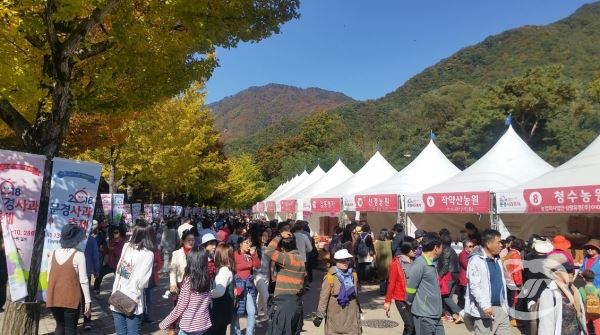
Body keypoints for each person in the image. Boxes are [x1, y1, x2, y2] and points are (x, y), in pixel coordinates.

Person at [110, 221, 155, 335]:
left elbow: (119, 270)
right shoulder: (148, 254)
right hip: (133, 301)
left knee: (120, 333)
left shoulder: (126, 246)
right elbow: (142, 283)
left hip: (117, 295)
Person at [46, 224, 91, 335]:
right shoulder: (79, 255)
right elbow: (84, 281)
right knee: (71, 329)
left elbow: (48, 278)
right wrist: (88, 301)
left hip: (54, 298)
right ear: (75, 240)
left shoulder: (52, 254)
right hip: (71, 299)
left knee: (60, 326)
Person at [464, 229, 509, 335]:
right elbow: (475, 286)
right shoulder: (476, 260)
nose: (501, 245)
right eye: (498, 242)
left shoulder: (498, 259)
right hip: (485, 310)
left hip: (502, 308)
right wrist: (485, 306)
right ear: (488, 243)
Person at [159, 247, 212, 335]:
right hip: (203, 324)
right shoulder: (207, 279)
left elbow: (180, 306)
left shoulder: (188, 281)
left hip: (189, 326)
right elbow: (208, 300)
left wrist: (165, 323)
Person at [264, 230, 305, 335]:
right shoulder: (300, 259)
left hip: (285, 304)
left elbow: (268, 251)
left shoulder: (288, 258)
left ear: (282, 248)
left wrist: (278, 236)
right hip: (296, 303)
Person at [406, 232, 444, 335]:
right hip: (424, 315)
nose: (442, 249)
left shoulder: (432, 263)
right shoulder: (420, 264)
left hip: (435, 314)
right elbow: (410, 288)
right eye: (441, 247)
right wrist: (409, 303)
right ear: (436, 248)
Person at [538, 253, 586, 335]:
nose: (572, 273)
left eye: (572, 270)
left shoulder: (574, 290)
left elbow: (581, 316)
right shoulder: (549, 293)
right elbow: (546, 324)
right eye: (568, 271)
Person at [317, 249, 361, 335]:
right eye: (342, 260)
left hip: (351, 316)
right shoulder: (330, 277)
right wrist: (320, 315)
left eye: (347, 260)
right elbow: (323, 298)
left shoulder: (353, 275)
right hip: (336, 317)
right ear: (336, 262)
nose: (345, 262)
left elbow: (356, 295)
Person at [384, 236, 417, 335]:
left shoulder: (415, 261)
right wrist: (387, 301)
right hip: (401, 299)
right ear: (407, 249)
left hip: (413, 298)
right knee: (410, 325)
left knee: (412, 326)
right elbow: (391, 283)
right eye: (413, 248)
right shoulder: (396, 263)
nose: (416, 250)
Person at [232, 236, 261, 335]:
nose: (249, 245)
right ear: (240, 244)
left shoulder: (250, 255)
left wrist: (254, 255)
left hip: (249, 286)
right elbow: (232, 269)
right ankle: (237, 333)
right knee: (237, 313)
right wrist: (234, 286)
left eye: (250, 242)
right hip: (238, 285)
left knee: (252, 312)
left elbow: (257, 265)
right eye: (246, 242)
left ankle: (249, 333)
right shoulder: (235, 254)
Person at [209, 244, 235, 335]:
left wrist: (206, 295)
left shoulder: (223, 271)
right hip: (224, 311)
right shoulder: (227, 269)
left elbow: (219, 291)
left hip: (219, 312)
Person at [94, 226, 126, 294]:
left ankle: (122, 292)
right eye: (113, 232)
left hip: (118, 265)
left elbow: (119, 252)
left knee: (121, 279)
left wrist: (111, 249)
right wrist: (103, 250)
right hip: (110, 263)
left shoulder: (123, 242)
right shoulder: (112, 241)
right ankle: (96, 289)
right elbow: (108, 251)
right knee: (100, 273)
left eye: (116, 232)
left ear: (120, 233)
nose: (114, 234)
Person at [503, 238, 524, 327]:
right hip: (513, 281)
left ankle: (509, 317)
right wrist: (519, 283)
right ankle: (513, 319)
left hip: (507, 279)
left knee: (509, 299)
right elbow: (516, 271)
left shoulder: (510, 252)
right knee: (514, 301)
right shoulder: (516, 254)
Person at [83, 233, 100, 330]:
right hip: (86, 273)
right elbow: (95, 256)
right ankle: (87, 321)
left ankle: (72, 322)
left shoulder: (73, 237)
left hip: (73, 273)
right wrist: (96, 270)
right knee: (86, 298)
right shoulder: (91, 239)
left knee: (75, 298)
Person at [254, 229, 271, 321]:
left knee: (261, 296)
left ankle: (256, 315)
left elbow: (270, 263)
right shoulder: (255, 248)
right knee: (266, 295)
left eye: (267, 235)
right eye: (263, 235)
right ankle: (266, 314)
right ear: (259, 237)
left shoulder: (269, 249)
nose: (265, 237)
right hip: (257, 275)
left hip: (266, 275)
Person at [458, 239, 476, 309]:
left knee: (466, 298)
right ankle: (459, 311)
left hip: (469, 279)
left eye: (472, 246)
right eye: (470, 246)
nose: (472, 248)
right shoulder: (462, 254)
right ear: (465, 247)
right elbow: (467, 265)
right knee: (463, 298)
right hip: (464, 279)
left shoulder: (470, 254)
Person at [375, 229, 393, 295]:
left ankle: (382, 291)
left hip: (380, 262)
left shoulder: (376, 242)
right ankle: (388, 291)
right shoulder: (390, 242)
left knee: (382, 278)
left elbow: (376, 252)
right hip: (389, 262)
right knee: (389, 277)